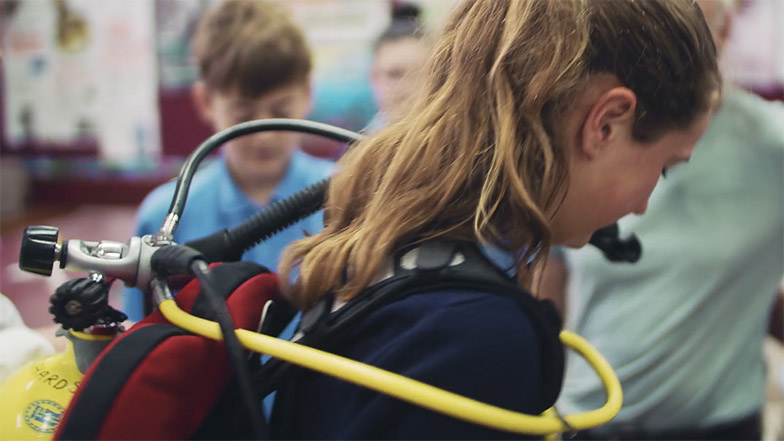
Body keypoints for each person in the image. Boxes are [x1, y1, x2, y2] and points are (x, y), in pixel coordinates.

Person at [269, 0, 721, 438]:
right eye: (663, 167)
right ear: (606, 123)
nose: (644, 205)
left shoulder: (385, 247)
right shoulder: (483, 337)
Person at [538, 0, 784, 439]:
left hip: (716, 426)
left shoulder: (771, 147)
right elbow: (548, 278)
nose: (663, 52)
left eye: (690, 30)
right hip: (590, 420)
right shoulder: (586, 134)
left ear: (723, 36)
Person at [123, 0, 334, 322]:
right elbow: (137, 336)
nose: (264, 134)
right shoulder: (164, 217)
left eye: (280, 112)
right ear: (205, 101)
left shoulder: (348, 197)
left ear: (308, 92)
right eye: (243, 116)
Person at [365, 2, 431, 132]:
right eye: (395, 74)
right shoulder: (361, 144)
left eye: (422, 73)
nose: (409, 87)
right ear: (374, 76)